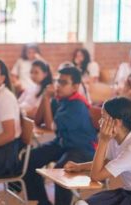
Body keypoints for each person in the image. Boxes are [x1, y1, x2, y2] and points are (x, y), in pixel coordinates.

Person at [65, 97, 131, 205]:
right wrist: (79, 167)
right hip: (129, 192)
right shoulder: (115, 139)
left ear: (117, 122)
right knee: (82, 204)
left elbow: (96, 176)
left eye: (103, 118)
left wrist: (103, 140)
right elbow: (107, 162)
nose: (100, 121)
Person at [24, 67, 97, 205]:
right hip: (63, 143)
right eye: (58, 81)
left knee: (61, 169)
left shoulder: (77, 105)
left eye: (63, 82)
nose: (58, 85)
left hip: (82, 149)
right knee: (31, 158)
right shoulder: (60, 99)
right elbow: (38, 121)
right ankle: (42, 201)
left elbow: (51, 127)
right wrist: (46, 98)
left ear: (75, 86)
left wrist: (46, 98)